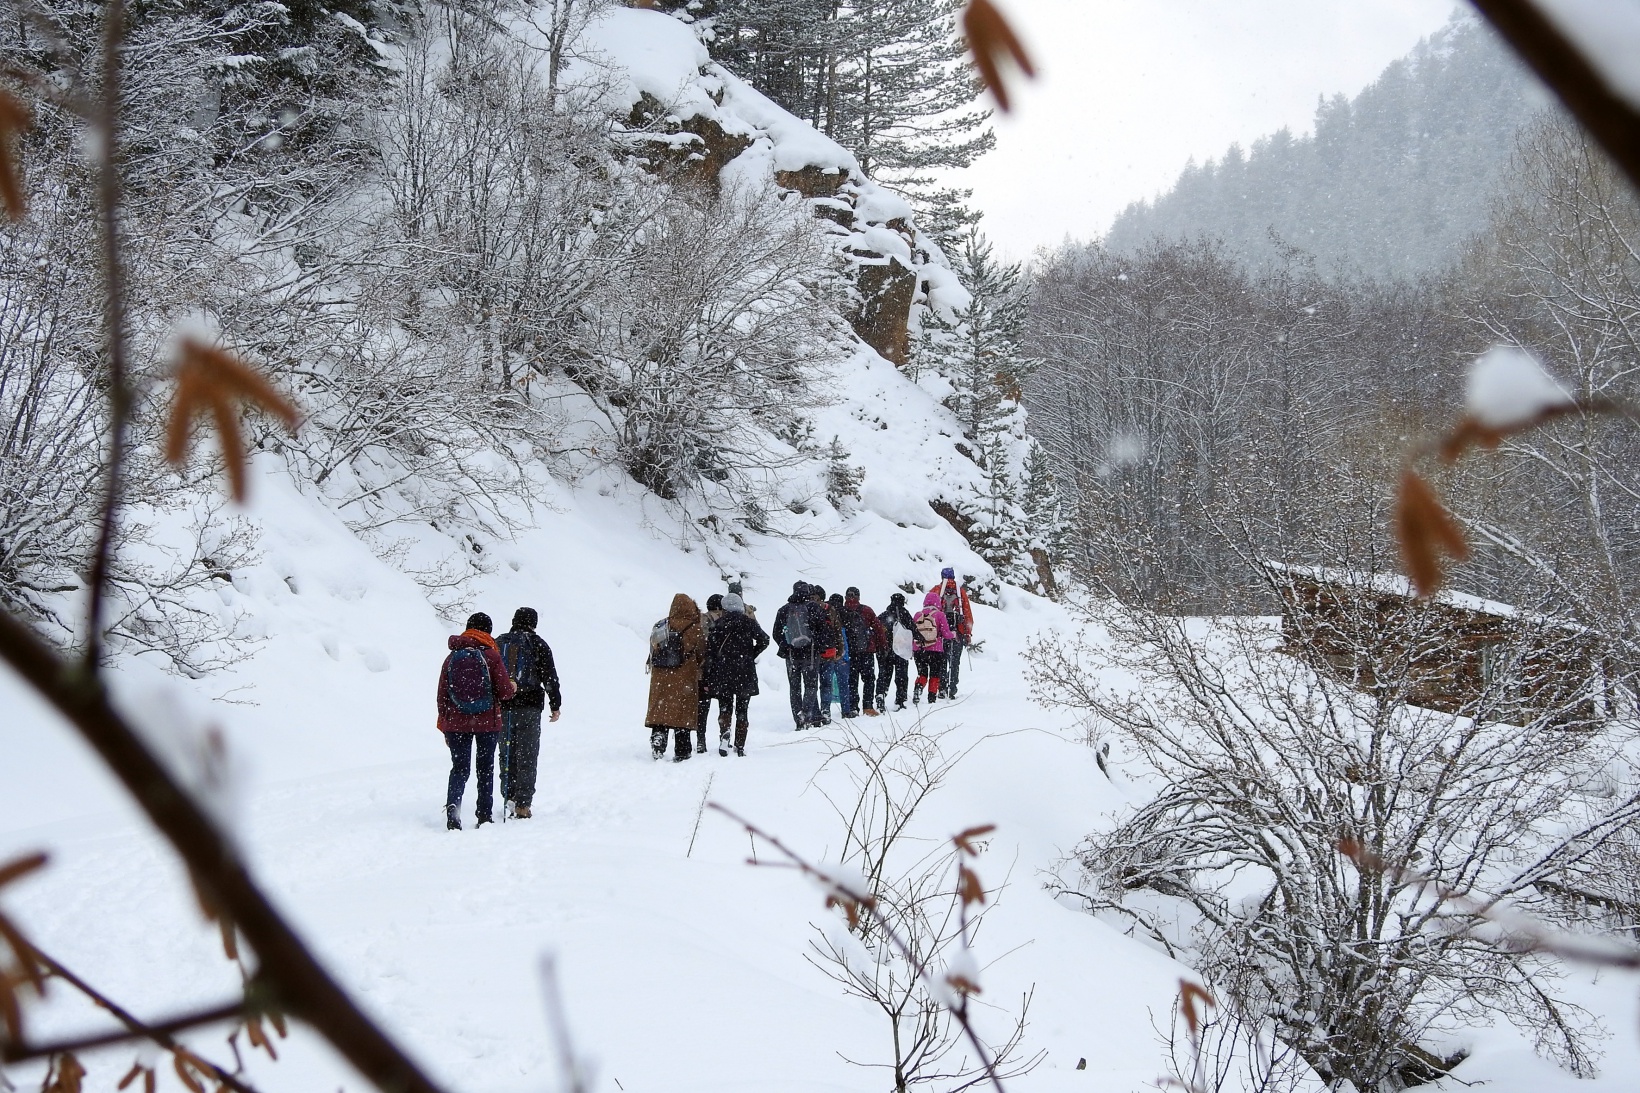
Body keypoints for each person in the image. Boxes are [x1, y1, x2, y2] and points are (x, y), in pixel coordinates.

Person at [437, 612, 516, 830]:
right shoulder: (491, 655)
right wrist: (512, 686)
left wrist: (444, 724)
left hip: (456, 723)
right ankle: (484, 815)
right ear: (487, 631)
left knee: (459, 768)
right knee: (485, 768)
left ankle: (454, 807)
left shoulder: (452, 656)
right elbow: (505, 692)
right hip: (487, 722)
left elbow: (442, 694)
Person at [496, 607, 561, 820]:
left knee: (507, 752)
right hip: (530, 706)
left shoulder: (499, 642)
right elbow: (550, 677)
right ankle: (523, 805)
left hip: (504, 707)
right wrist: (555, 704)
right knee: (527, 755)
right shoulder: (538, 644)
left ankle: (509, 796)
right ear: (533, 623)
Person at [702, 593, 770, 755]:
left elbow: (710, 654)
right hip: (744, 672)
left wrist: (707, 675)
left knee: (725, 707)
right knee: (742, 709)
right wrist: (751, 654)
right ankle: (740, 744)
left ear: (724, 607)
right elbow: (764, 640)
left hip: (723, 672)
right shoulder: (749, 623)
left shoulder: (718, 625)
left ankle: (724, 735)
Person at [646, 593, 707, 761]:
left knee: (661, 711)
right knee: (682, 715)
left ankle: (658, 738)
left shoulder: (661, 625)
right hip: (684, 677)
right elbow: (702, 652)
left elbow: (652, 650)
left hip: (660, 677)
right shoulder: (695, 628)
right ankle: (682, 749)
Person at [773, 581, 825, 729]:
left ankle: (798, 719)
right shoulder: (814, 608)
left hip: (791, 655)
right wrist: (818, 646)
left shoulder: (784, 609)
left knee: (794, 688)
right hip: (811, 653)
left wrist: (786, 646)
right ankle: (806, 712)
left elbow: (776, 633)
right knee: (811, 685)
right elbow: (823, 630)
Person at [842, 587, 886, 717]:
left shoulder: (841, 611)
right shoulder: (866, 610)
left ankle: (853, 707)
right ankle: (867, 707)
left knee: (852, 680)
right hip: (866, 650)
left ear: (845, 597)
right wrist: (882, 646)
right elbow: (878, 629)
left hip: (849, 652)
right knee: (869, 679)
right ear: (859, 597)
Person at [935, 567, 975, 698]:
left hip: (940, 634)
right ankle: (952, 688)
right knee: (954, 661)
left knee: (941, 661)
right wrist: (968, 633)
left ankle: (941, 687)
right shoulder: (960, 592)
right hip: (958, 633)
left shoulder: (937, 590)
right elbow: (967, 613)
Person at [695, 594, 727, 754]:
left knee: (703, 707)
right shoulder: (726, 619)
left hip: (704, 670)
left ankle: (701, 740)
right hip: (723, 670)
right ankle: (724, 737)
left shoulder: (701, 619)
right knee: (725, 705)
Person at [912, 589, 954, 705]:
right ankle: (931, 697)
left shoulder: (917, 615)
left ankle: (918, 688)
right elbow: (946, 633)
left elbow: (912, 632)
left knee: (922, 672)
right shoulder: (939, 615)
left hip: (919, 649)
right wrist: (952, 635)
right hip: (935, 650)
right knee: (935, 674)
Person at [876, 592, 915, 711]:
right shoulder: (905, 614)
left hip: (885, 651)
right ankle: (900, 700)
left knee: (884, 675)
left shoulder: (883, 615)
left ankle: (881, 694)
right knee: (901, 676)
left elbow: (876, 630)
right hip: (901, 650)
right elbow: (913, 629)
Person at [824, 592, 855, 720]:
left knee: (825, 683)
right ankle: (846, 710)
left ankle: (825, 710)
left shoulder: (824, 611)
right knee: (843, 684)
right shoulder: (845, 613)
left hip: (827, 652)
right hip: (842, 652)